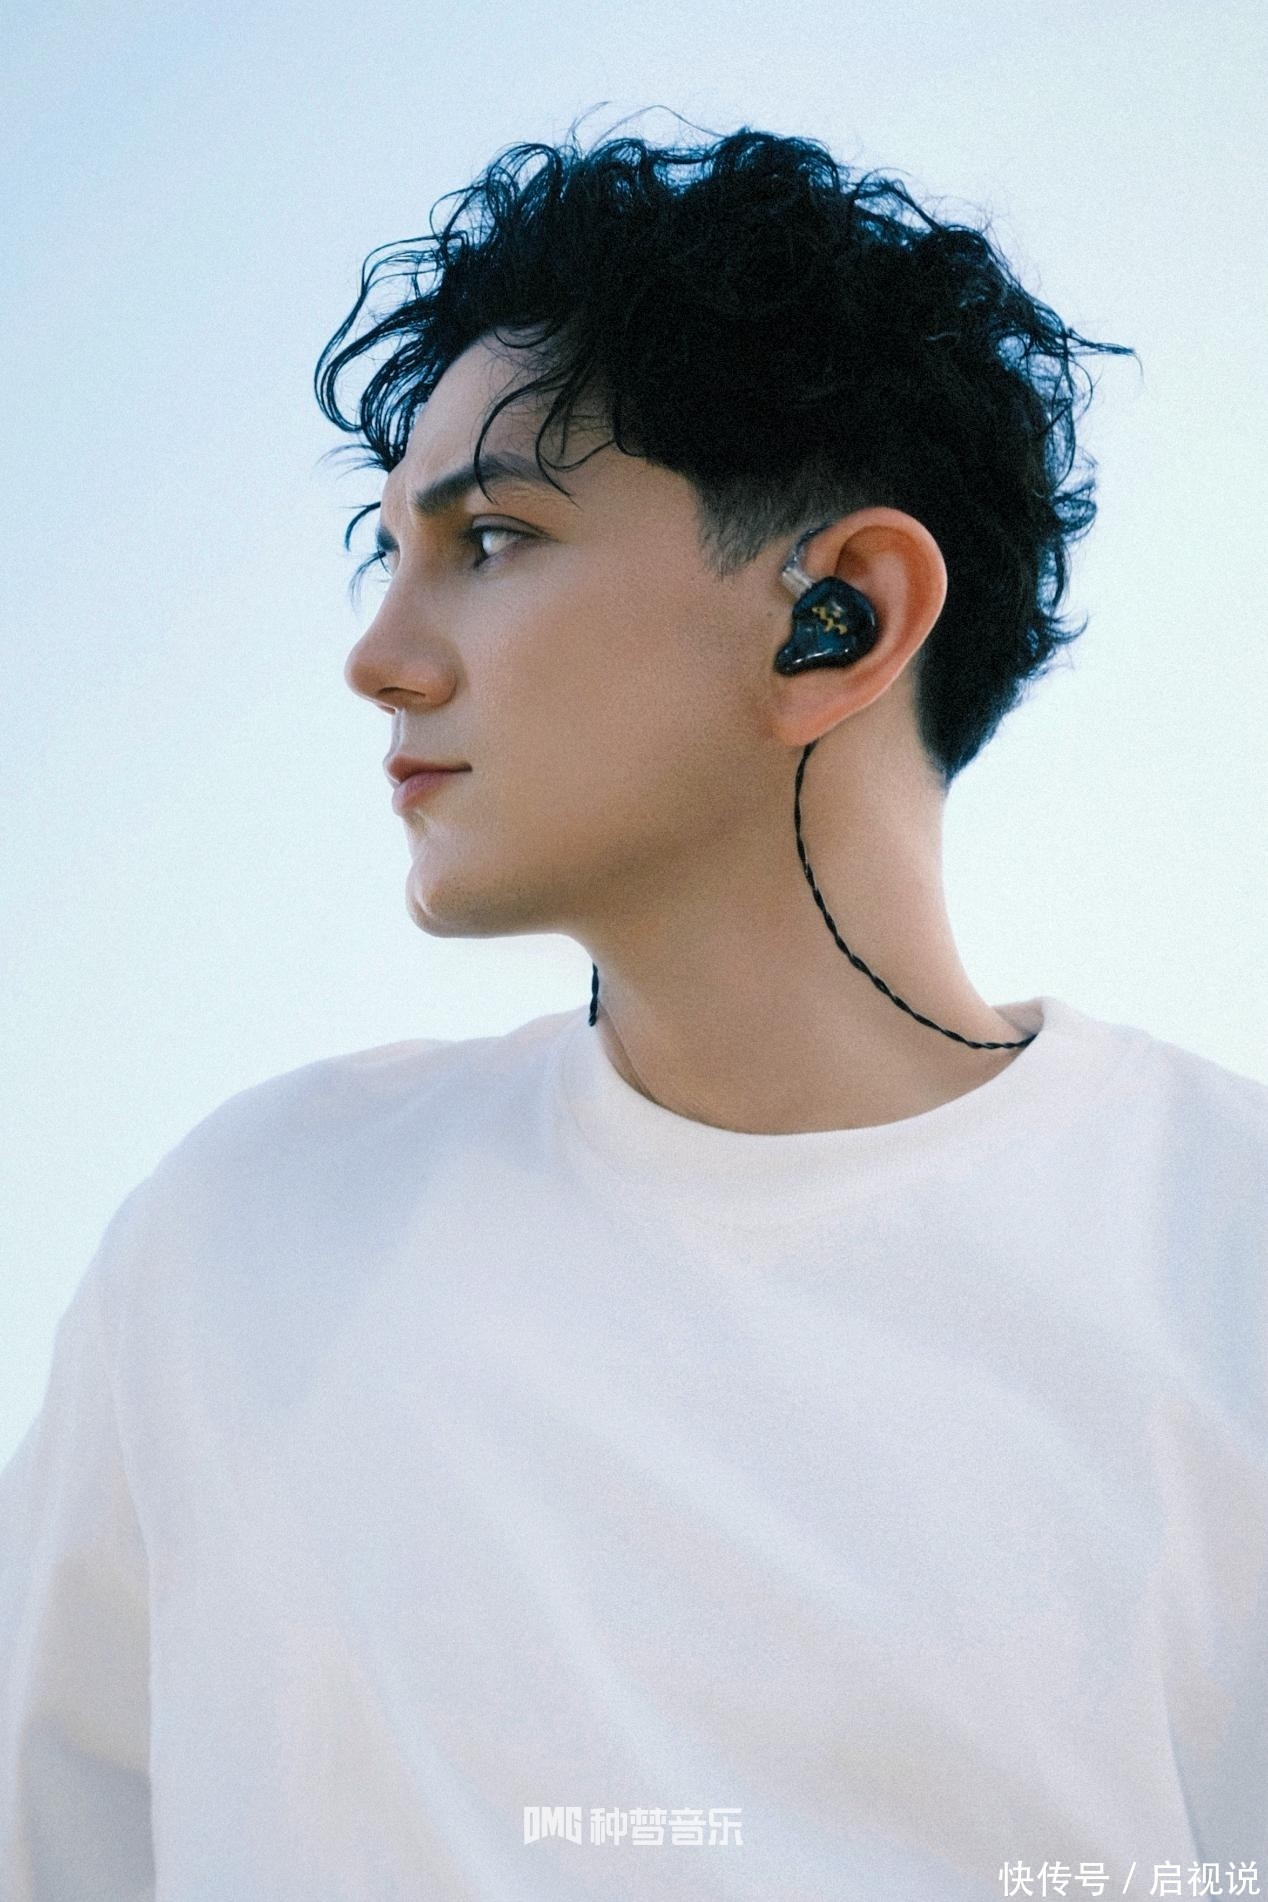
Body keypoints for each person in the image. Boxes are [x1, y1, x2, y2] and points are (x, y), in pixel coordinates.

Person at [2, 118, 1265, 1901]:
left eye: (491, 537)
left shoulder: (1226, 1253)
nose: (377, 655)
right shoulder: (236, 1243)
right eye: (389, 551)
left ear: (841, 617)